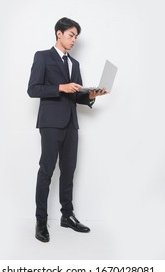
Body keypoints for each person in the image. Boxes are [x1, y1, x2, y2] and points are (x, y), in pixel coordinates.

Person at [27, 17, 106, 242]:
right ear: (59, 33)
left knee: (69, 171)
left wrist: (91, 95)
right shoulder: (42, 57)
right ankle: (41, 221)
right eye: (71, 35)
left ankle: (67, 216)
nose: (73, 40)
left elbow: (77, 96)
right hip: (51, 123)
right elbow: (33, 89)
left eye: (76, 37)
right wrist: (60, 87)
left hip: (71, 123)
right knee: (46, 171)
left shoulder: (75, 64)